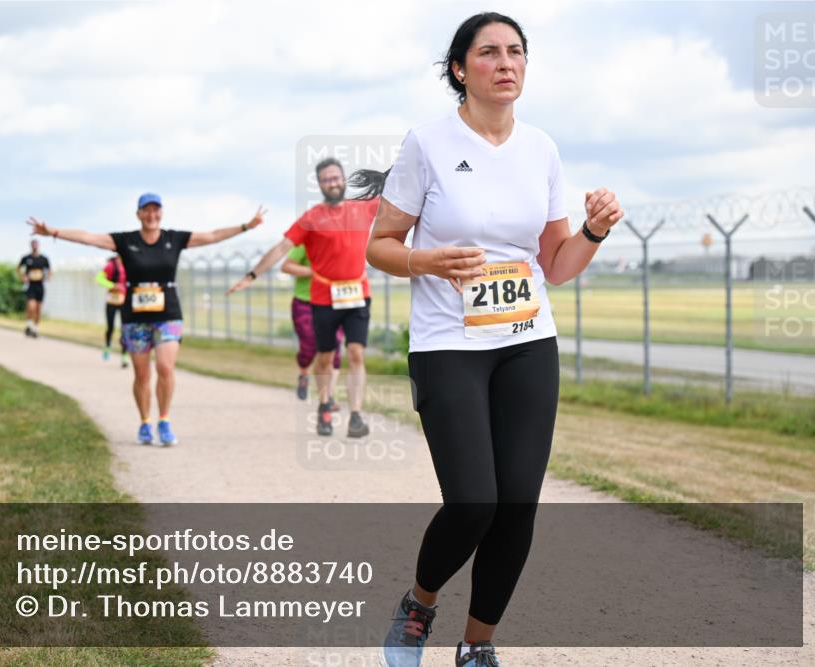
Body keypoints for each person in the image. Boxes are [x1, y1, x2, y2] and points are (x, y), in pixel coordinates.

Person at [364, 13, 624, 667]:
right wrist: (429, 261)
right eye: (489, 53)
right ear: (460, 69)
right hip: (447, 343)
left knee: (517, 505)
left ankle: (477, 645)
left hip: (527, 341)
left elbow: (555, 266)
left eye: (516, 52)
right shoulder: (427, 142)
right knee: (475, 499)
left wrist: (591, 232)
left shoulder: (541, 148)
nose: (506, 63)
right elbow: (381, 245)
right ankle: (418, 606)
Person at [26, 193, 265, 446]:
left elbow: (212, 235)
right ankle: (144, 422)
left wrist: (245, 227)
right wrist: (52, 231)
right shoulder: (125, 241)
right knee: (142, 375)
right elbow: (88, 237)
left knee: (165, 367)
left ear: (161, 213)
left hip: (168, 314)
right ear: (138, 214)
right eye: (146, 210)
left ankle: (164, 419)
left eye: (156, 210)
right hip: (135, 317)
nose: (152, 215)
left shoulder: (174, 238)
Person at [228, 158, 377, 438]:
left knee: (356, 352)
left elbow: (401, 194)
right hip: (322, 298)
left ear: (343, 179)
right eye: (326, 180)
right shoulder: (312, 218)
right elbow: (280, 249)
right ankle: (323, 406)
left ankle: (356, 415)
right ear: (320, 185)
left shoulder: (364, 208)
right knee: (325, 356)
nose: (332, 183)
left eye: (336, 178)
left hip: (358, 294)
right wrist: (251, 275)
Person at [280, 244, 342, 403]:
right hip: (305, 302)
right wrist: (315, 271)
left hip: (335, 302)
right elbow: (286, 266)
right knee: (308, 348)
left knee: (335, 350)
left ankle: (328, 397)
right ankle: (304, 373)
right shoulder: (307, 242)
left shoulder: (345, 241)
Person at [96, 254, 129, 368]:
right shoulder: (111, 265)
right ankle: (108, 345)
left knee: (125, 328)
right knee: (110, 327)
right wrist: (113, 285)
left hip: (124, 300)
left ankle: (124, 355)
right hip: (111, 301)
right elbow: (99, 278)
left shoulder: (130, 264)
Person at [17, 239, 50, 337]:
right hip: (30, 286)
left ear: (38, 245)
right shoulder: (26, 258)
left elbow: (48, 271)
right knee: (31, 307)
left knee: (38, 309)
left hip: (40, 286)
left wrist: (47, 277)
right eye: (33, 244)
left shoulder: (44, 259)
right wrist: (23, 277)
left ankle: (35, 329)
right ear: (31, 246)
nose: (34, 246)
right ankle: (28, 324)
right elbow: (18, 268)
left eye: (36, 244)